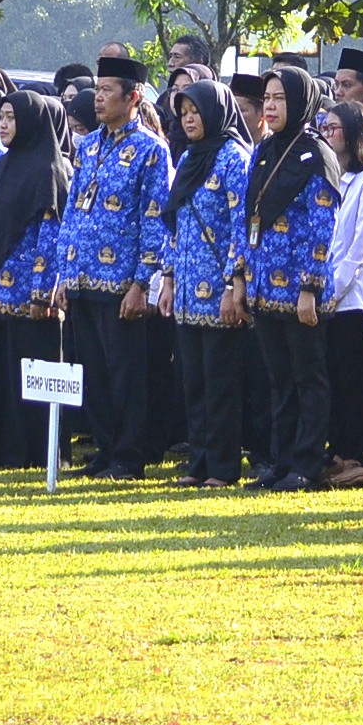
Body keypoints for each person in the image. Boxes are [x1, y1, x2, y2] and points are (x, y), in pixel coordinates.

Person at [56, 57, 170, 479]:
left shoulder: (151, 150)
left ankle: (128, 455)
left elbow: (155, 218)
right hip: (82, 274)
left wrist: (142, 283)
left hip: (121, 280)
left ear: (133, 97)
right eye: (97, 90)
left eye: (107, 91)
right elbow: (72, 210)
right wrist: (63, 273)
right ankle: (104, 449)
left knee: (125, 373)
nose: (98, 98)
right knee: (94, 372)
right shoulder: (88, 146)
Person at [238, 63, 342, 489]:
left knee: (307, 378)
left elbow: (321, 229)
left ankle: (305, 464)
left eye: (280, 98)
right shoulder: (265, 149)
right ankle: (280, 463)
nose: (272, 106)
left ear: (300, 101)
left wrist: (309, 288)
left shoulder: (317, 154)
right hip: (265, 284)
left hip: (301, 291)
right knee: (278, 380)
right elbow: (250, 218)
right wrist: (242, 277)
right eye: (268, 99)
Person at [159, 79, 255, 486]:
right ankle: (197, 464)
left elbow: (241, 225)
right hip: (184, 291)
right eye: (183, 114)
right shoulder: (187, 159)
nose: (189, 119)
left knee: (220, 385)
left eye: (195, 111)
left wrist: (236, 286)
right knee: (193, 382)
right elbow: (174, 223)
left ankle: (222, 467)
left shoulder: (234, 158)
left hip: (218, 292)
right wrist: (166, 279)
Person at [0, 86, 67, 468]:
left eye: (12, 118)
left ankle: (31, 453)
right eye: (2, 118)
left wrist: (42, 292)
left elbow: (51, 235)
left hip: (29, 296)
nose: (5, 125)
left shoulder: (48, 170)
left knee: (28, 373)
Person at [322, 101, 363, 482]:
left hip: (351, 299)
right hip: (327, 296)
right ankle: (335, 450)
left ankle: (354, 453)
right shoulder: (332, 177)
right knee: (331, 377)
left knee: (352, 380)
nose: (327, 135)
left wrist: (331, 292)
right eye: (325, 128)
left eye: (334, 128)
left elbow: (362, 250)